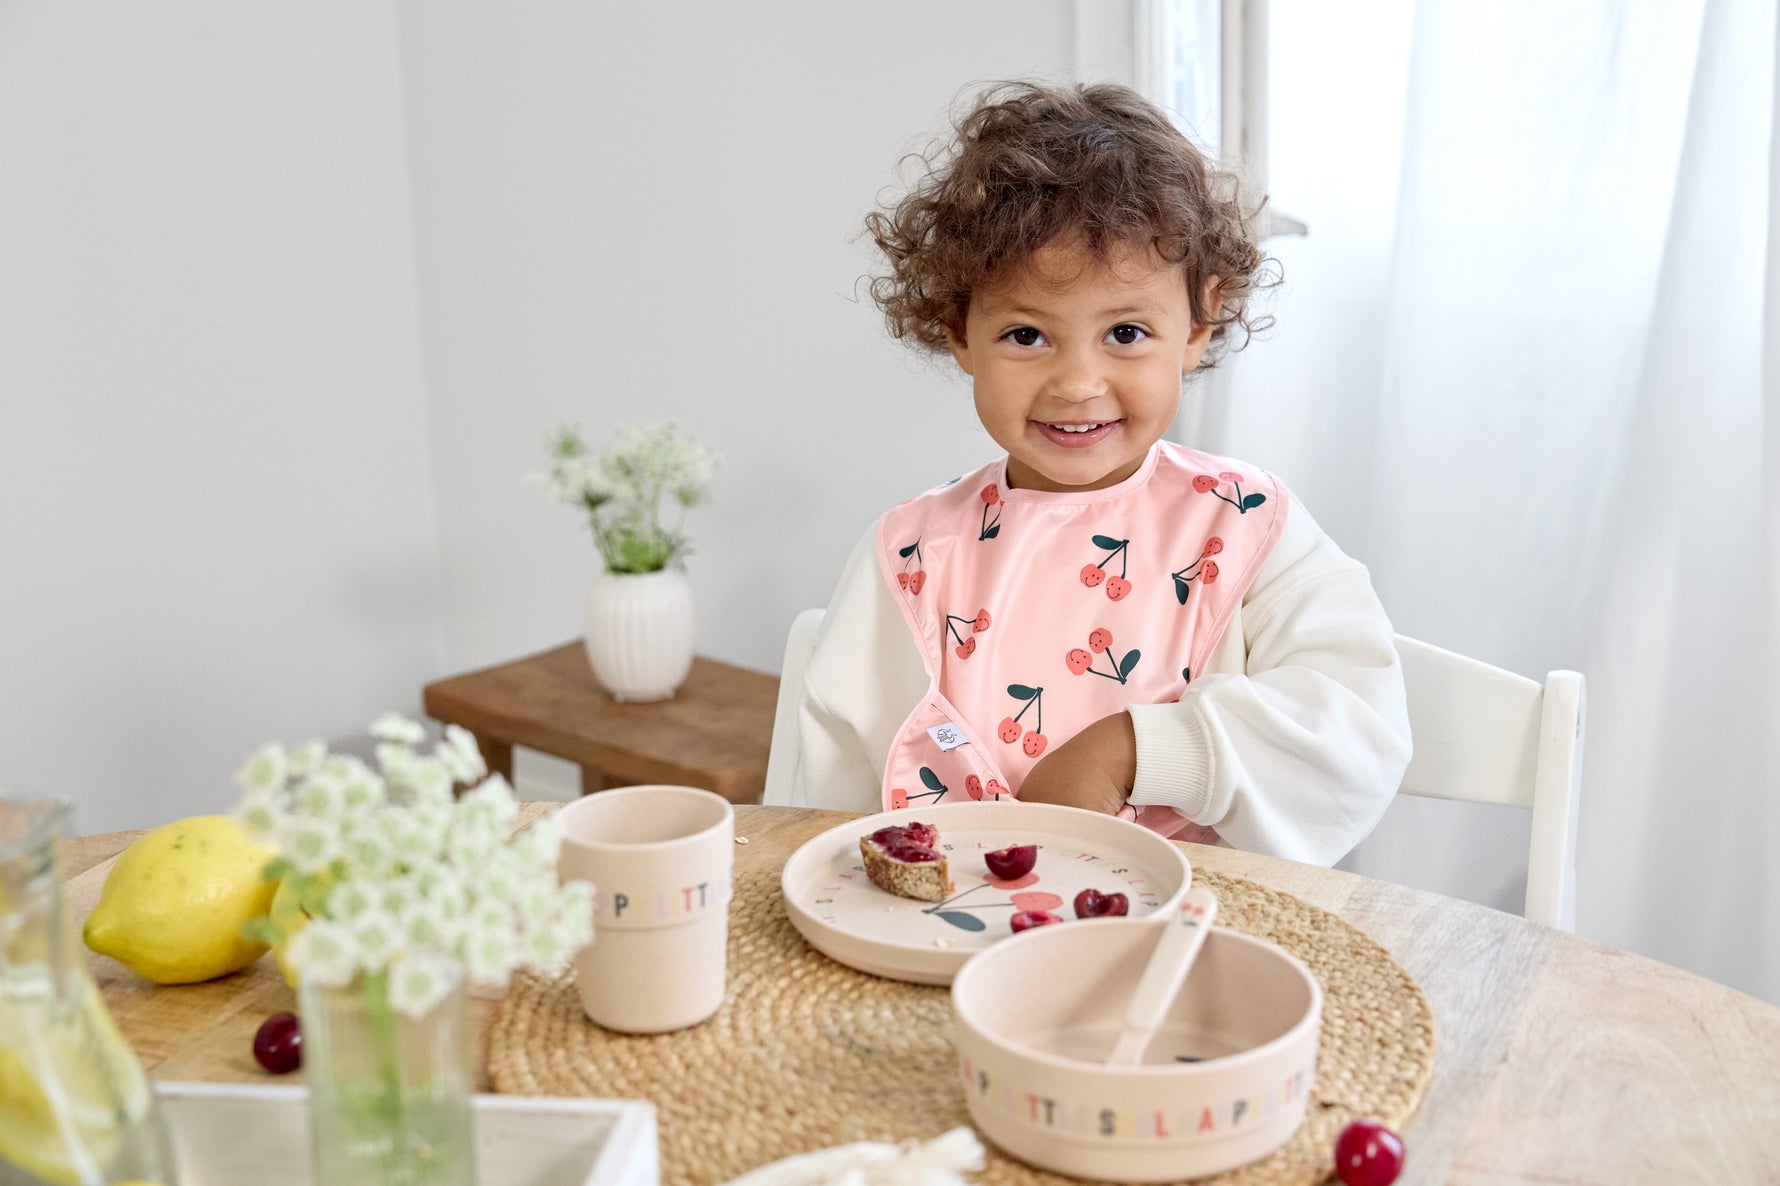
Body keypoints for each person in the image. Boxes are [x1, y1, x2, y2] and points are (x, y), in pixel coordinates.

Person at [788, 81, 1410, 865]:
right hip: (950, 949)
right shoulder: (912, 555)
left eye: (1125, 331)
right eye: (1025, 334)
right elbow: (832, 818)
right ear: (958, 332)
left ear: (1198, 324)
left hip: (1198, 935)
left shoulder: (1248, 524)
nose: (1078, 383)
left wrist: (1133, 748)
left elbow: (1357, 725)